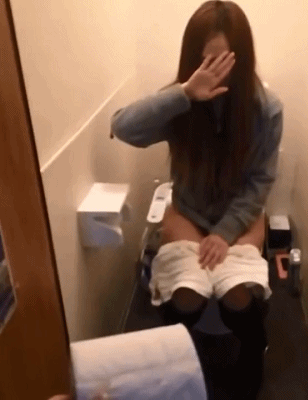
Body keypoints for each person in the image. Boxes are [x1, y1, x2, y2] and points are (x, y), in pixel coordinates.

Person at [111, 1, 283, 398]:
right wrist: (185, 93)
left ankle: (252, 348)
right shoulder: (181, 100)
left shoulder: (265, 110)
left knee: (235, 292)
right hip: (188, 208)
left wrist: (225, 233)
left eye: (224, 61)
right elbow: (122, 127)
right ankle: (174, 358)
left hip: (241, 211)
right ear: (193, 59)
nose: (215, 71)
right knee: (187, 292)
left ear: (242, 58)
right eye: (206, 61)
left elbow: (260, 181)